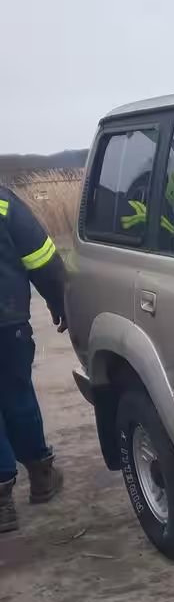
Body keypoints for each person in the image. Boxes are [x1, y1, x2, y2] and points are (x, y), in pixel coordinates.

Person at [0, 185, 66, 532]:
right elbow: (41, 258)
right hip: (7, 323)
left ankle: (1, 503)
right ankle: (41, 475)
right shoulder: (4, 203)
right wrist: (61, 302)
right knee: (18, 396)